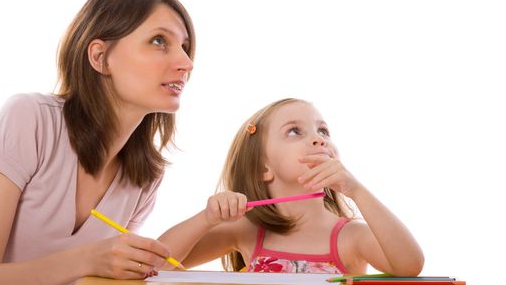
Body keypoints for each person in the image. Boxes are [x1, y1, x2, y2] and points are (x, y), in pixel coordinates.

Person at [0, 0, 196, 285]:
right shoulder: (29, 118)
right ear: (100, 57)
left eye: (185, 47)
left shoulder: (146, 176)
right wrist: (85, 261)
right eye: (159, 41)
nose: (186, 63)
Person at [172, 98, 424, 275]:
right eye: (294, 131)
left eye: (323, 131)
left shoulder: (350, 236)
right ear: (263, 168)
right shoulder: (245, 231)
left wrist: (356, 191)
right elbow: (157, 264)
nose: (318, 139)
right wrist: (206, 218)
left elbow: (409, 266)